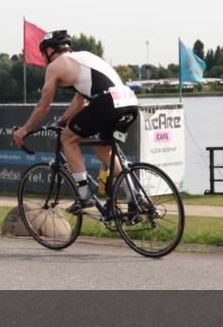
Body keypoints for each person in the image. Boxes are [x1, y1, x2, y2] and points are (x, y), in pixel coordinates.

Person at [13, 30, 139, 213]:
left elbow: (43, 107)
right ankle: (135, 197)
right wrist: (62, 120)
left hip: (108, 102)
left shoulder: (56, 65)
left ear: (49, 51)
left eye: (43, 54)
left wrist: (24, 130)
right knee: (103, 148)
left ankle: (84, 195)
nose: (43, 58)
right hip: (129, 102)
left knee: (68, 139)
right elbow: (79, 101)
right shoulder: (84, 57)